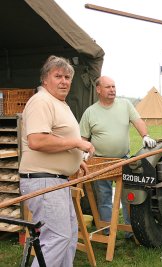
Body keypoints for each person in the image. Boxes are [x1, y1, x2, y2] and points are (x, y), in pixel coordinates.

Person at [19, 55, 95, 267]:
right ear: (45, 79)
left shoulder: (58, 103)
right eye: (58, 76)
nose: (64, 81)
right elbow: (37, 140)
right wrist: (77, 144)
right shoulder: (41, 101)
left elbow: (57, 138)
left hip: (57, 181)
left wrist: (75, 159)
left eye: (68, 77)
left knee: (68, 237)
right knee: (57, 238)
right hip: (43, 181)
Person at [79, 75, 156, 238]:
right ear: (98, 90)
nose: (112, 90)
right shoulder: (90, 112)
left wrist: (145, 136)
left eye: (114, 86)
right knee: (104, 197)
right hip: (100, 161)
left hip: (123, 158)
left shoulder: (125, 105)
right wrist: (83, 151)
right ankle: (107, 232)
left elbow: (138, 121)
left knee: (127, 197)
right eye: (108, 87)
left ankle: (131, 231)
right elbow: (83, 139)